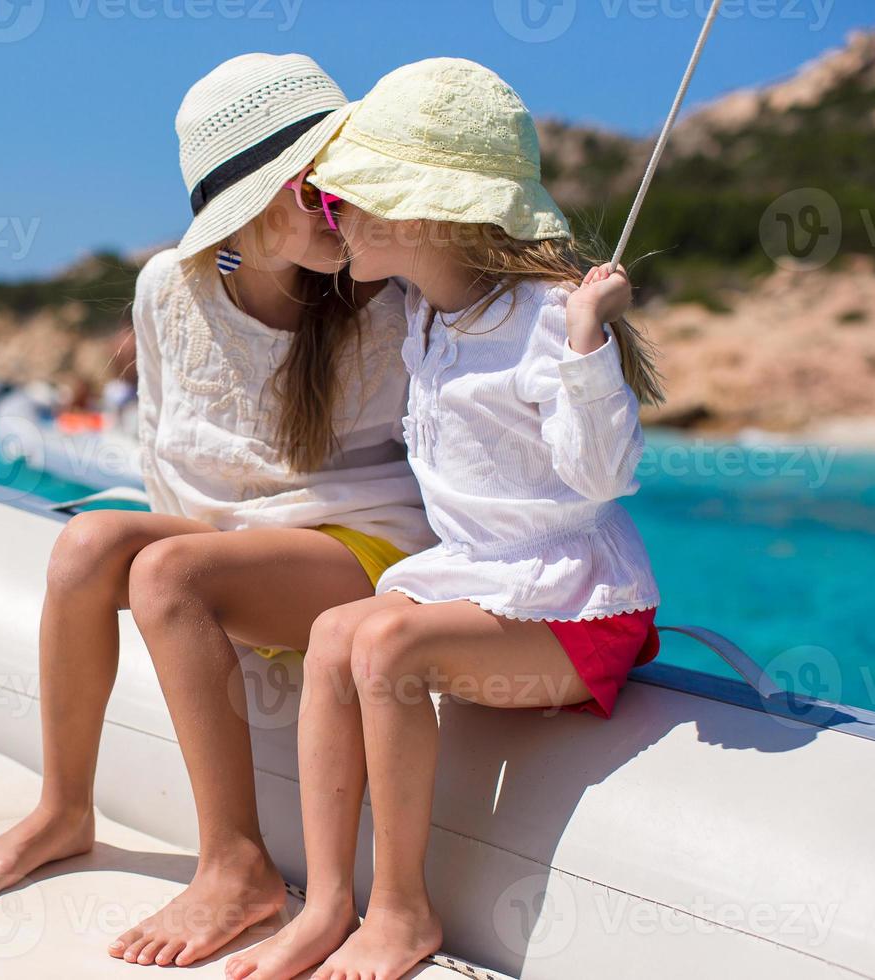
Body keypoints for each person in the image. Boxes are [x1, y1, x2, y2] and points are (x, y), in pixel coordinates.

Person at [0, 52, 435, 969]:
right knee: (91, 542)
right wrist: (208, 601)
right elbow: (164, 452)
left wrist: (202, 587)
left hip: (363, 547)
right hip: (233, 544)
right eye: (312, 184)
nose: (341, 197)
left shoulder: (389, 291)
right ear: (249, 203)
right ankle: (63, 806)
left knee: (169, 571)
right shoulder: (166, 290)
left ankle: (238, 864)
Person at [227, 58, 665, 980]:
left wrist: (589, 342)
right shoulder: (425, 312)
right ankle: (330, 904)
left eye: (344, 203)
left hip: (580, 613)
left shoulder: (549, 317)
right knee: (339, 630)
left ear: (417, 213)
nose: (330, 219)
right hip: (484, 584)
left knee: (385, 646)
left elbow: (601, 478)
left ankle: (401, 909)